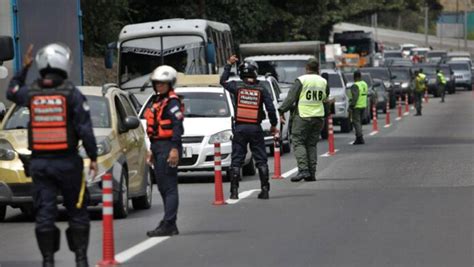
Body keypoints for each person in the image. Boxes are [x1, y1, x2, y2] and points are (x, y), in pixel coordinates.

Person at [7, 44, 97, 267]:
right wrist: (93, 157)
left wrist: (24, 68)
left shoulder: (32, 93)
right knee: (77, 211)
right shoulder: (72, 93)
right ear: (63, 64)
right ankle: (81, 259)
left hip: (40, 165)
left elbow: (12, 91)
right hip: (68, 164)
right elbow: (85, 129)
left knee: (44, 213)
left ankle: (48, 261)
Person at [220, 55, 278, 200]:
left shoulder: (237, 87)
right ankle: (265, 190)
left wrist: (228, 64)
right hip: (255, 129)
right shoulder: (262, 88)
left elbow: (222, 81)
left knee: (237, 160)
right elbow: (271, 109)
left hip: (240, 128)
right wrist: (273, 124)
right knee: (261, 160)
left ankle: (234, 192)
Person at [145, 65, 184, 237]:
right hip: (158, 147)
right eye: (157, 83)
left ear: (170, 84)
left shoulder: (172, 102)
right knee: (162, 186)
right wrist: (151, 150)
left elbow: (177, 126)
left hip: (168, 146)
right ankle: (170, 222)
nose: (159, 86)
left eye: (163, 83)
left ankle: (169, 223)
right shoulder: (157, 101)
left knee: (169, 187)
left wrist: (174, 149)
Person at [278, 59, 329, 182]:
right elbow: (325, 99)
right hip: (318, 117)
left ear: (306, 68)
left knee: (298, 142)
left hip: (303, 116)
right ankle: (311, 173)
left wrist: (281, 110)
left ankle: (303, 170)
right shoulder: (324, 82)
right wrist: (326, 115)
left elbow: (291, 98)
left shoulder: (301, 80)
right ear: (318, 69)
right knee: (311, 144)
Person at [350, 70, 368, 145]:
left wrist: (351, 105)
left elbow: (355, 97)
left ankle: (359, 138)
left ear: (354, 77)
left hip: (357, 106)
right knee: (359, 122)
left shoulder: (355, 85)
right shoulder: (364, 84)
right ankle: (359, 137)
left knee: (356, 122)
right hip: (363, 105)